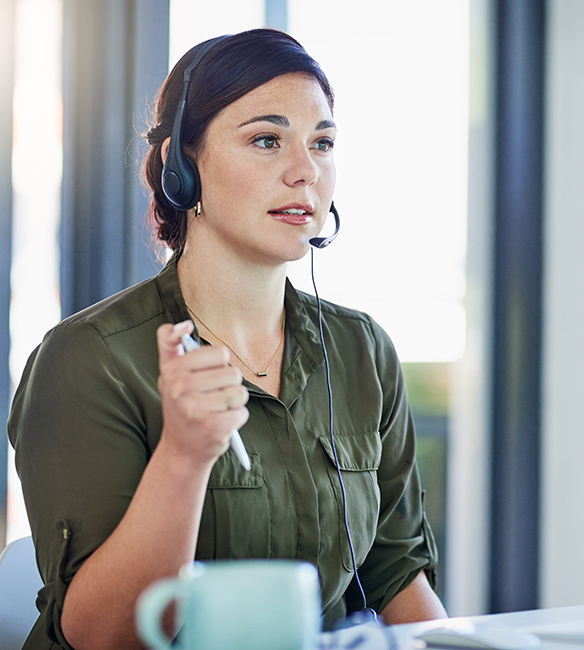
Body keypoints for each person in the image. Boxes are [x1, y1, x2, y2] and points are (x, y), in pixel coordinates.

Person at [8, 28, 447, 650]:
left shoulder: (362, 351)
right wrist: (184, 455)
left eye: (322, 144)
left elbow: (398, 576)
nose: (305, 172)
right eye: (267, 140)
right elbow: (101, 636)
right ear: (182, 169)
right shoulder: (88, 360)